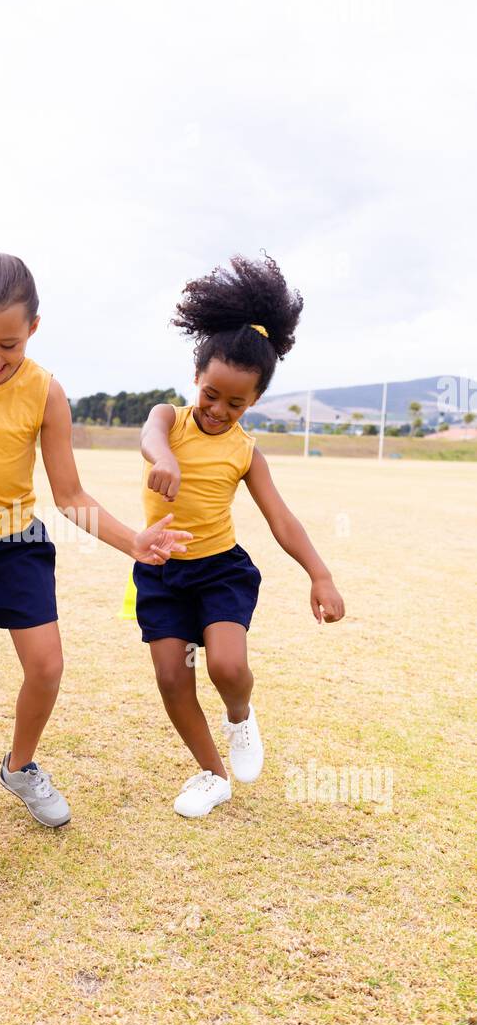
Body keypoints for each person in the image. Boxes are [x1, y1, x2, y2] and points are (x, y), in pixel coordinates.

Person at [0, 252, 189, 828]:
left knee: (47, 666)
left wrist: (132, 541)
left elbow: (70, 495)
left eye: (8, 344)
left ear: (33, 327)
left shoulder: (46, 392)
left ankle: (20, 766)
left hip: (16, 542)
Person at [138, 253, 345, 818]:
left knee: (226, 666)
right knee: (171, 677)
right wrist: (166, 462)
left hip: (219, 571)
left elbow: (281, 518)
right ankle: (211, 775)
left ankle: (240, 715)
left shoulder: (244, 451)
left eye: (235, 402)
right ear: (196, 380)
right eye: (210, 394)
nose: (217, 410)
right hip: (160, 574)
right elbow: (150, 437)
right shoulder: (169, 419)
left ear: (252, 402)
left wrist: (319, 573)